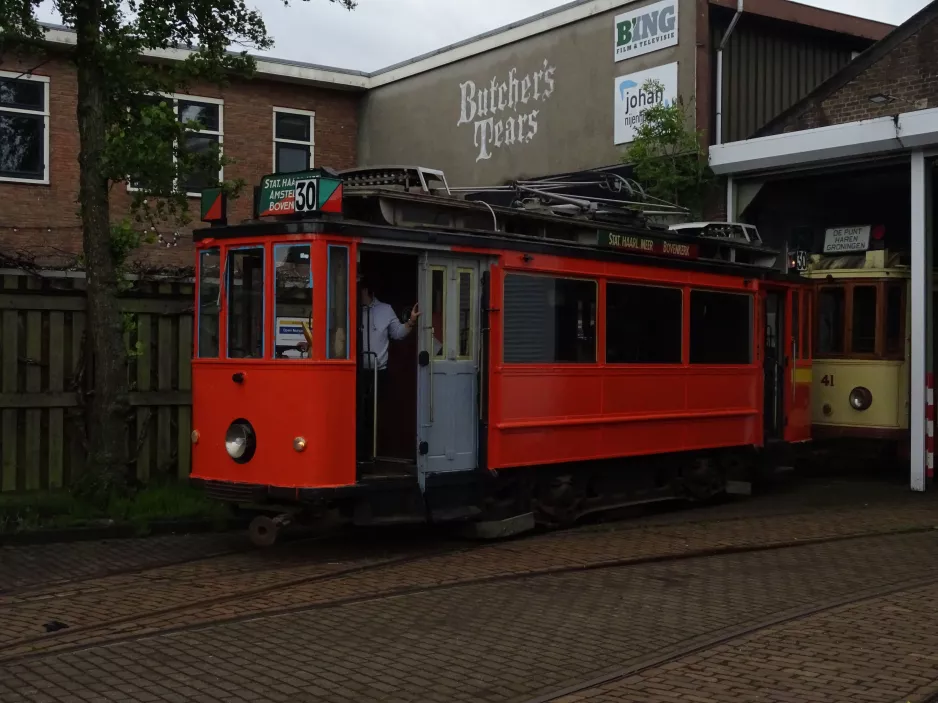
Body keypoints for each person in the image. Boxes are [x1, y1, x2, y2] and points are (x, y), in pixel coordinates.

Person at [358, 278, 420, 459]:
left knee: (374, 415)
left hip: (379, 372)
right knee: (359, 414)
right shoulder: (352, 309)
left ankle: (373, 455)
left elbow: (398, 334)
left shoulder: (385, 310)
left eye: (359, 291)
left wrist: (411, 321)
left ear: (367, 291)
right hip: (358, 372)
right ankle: (360, 455)